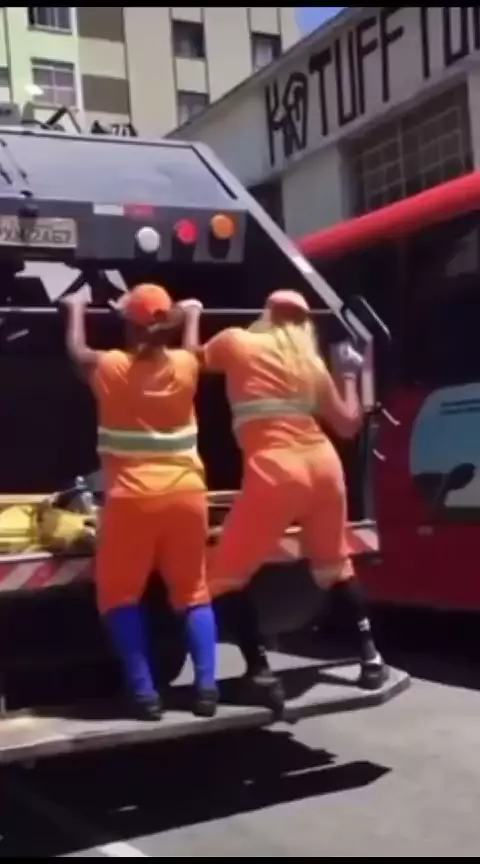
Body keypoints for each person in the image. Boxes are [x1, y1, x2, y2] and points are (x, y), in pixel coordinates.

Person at [181, 290, 388, 712]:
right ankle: (372, 660)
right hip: (324, 469)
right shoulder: (311, 363)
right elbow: (348, 424)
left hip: (276, 473)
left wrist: (191, 315)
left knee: (222, 576)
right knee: (334, 566)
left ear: (267, 313)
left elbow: (189, 360)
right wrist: (349, 374)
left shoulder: (238, 342)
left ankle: (259, 672)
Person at [62, 285, 217, 720]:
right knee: (193, 593)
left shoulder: (113, 368)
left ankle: (145, 695)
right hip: (188, 495)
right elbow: (194, 350)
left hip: (132, 500)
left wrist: (74, 309)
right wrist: (193, 313)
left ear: (128, 326)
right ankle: (207, 691)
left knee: (119, 595)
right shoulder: (185, 366)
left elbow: (77, 352)